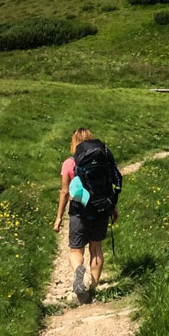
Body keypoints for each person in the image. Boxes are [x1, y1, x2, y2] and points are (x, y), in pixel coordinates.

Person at [53, 128, 118, 304]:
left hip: (78, 211)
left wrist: (59, 218)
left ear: (74, 142)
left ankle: (78, 271)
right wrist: (113, 208)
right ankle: (93, 288)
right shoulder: (102, 161)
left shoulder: (69, 163)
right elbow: (109, 186)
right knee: (96, 248)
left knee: (76, 250)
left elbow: (65, 192)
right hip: (100, 209)